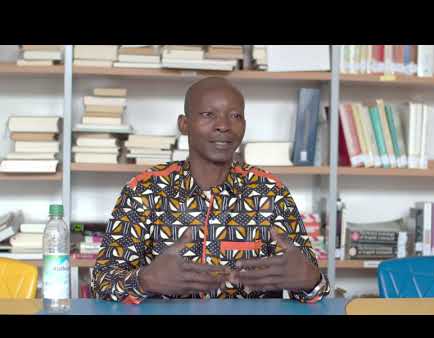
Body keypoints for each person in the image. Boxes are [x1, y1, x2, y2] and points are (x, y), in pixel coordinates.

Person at [91, 77, 330, 304]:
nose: (224, 126)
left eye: (235, 116)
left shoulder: (270, 192)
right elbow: (102, 285)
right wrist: (144, 280)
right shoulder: (143, 191)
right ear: (184, 124)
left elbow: (313, 293)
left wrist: (311, 281)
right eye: (208, 115)